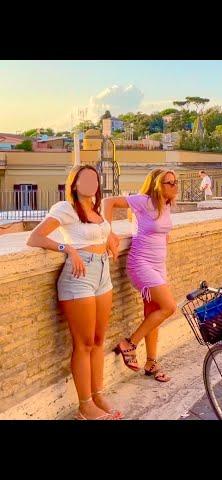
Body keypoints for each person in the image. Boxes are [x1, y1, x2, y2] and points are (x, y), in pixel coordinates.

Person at [27, 165, 122, 420]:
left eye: (94, 178)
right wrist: (67, 248)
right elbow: (35, 238)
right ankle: (85, 405)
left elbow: (101, 231)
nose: (91, 183)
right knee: (84, 343)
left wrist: (111, 238)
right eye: (85, 179)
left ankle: (98, 394)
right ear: (74, 183)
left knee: (100, 339)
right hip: (78, 276)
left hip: (102, 273)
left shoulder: (97, 208)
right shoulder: (65, 209)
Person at [103, 169, 178, 383]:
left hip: (158, 264)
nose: (173, 185)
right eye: (168, 182)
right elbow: (109, 202)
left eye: (175, 182)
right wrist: (108, 232)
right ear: (157, 184)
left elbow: (159, 229)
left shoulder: (166, 204)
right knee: (169, 307)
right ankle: (130, 343)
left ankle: (151, 362)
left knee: (153, 312)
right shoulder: (144, 201)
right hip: (140, 263)